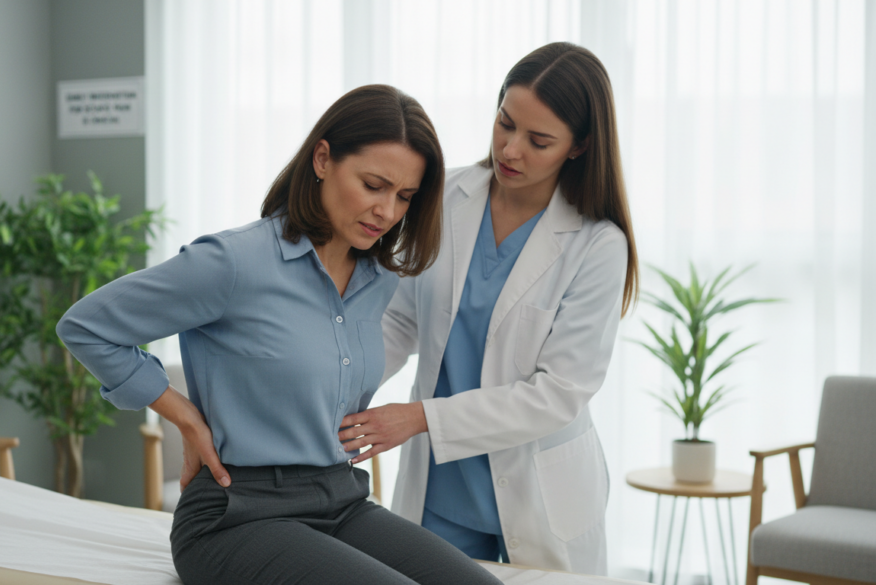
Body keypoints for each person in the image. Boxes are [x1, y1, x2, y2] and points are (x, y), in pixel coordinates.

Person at [57, 85, 503, 585]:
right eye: (373, 185)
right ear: (322, 159)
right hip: (235, 514)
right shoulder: (234, 262)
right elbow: (87, 326)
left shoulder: (378, 282)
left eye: (404, 197)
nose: (388, 211)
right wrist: (185, 417)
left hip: (341, 500)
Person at [337, 43, 639, 575]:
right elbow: (400, 320)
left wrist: (417, 418)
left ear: (579, 146)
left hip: (539, 489)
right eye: (505, 122)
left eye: (538, 140)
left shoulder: (597, 245)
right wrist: (336, 388)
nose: (510, 149)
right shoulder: (445, 196)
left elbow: (558, 393)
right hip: (441, 487)